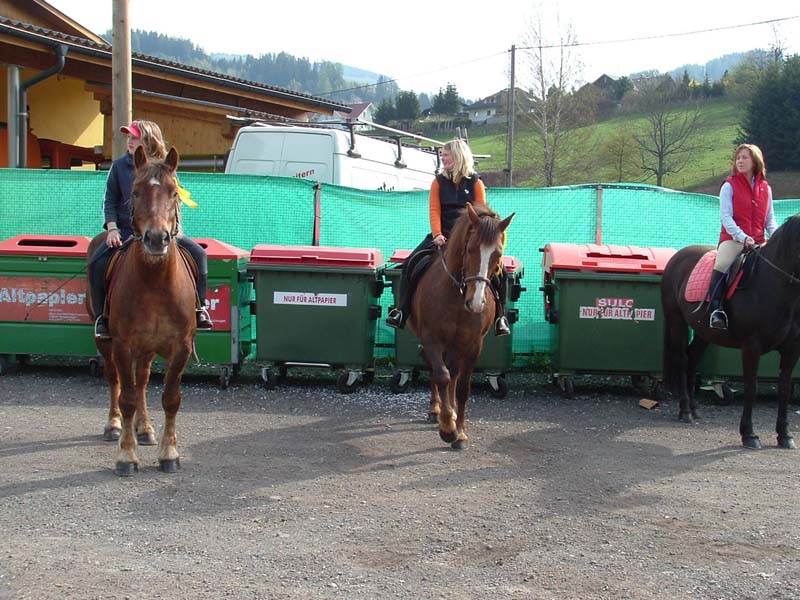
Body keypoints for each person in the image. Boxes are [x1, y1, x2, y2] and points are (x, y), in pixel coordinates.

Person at [88, 119, 213, 339]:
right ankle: (102, 318)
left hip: (162, 230)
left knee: (199, 255)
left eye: (134, 138)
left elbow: (175, 202)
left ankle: (199, 308)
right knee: (96, 263)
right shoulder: (119, 167)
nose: (129, 141)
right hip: (126, 230)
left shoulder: (167, 168)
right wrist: (112, 229)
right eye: (128, 137)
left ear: (148, 140)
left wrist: (173, 231)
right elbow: (109, 200)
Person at [385, 138, 510, 336]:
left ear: (458, 156)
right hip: (442, 236)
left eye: (446, 155)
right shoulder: (438, 182)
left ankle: (500, 317)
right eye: (442, 155)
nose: (442, 158)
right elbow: (434, 210)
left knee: (501, 273)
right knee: (410, 263)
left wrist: (474, 238)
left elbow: (482, 215)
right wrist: (437, 234)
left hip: (470, 239)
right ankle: (402, 310)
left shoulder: (476, 183)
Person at [706, 143, 777, 330]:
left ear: (755, 161)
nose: (740, 161)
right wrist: (742, 237)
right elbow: (726, 217)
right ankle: (716, 310)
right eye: (738, 158)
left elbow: (769, 220)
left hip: (759, 241)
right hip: (733, 240)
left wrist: (776, 238)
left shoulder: (766, 188)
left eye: (744, 157)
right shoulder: (729, 186)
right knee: (722, 264)